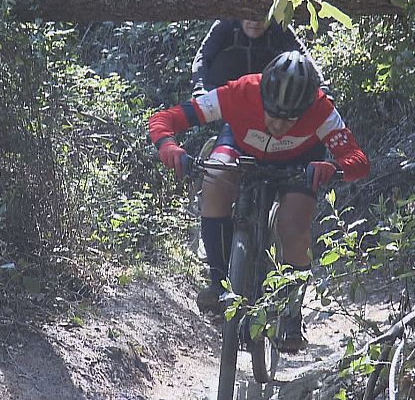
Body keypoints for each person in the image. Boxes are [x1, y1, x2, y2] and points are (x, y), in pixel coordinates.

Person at [149, 51, 369, 350]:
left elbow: (358, 161)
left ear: (307, 106)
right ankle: (218, 282)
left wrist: (332, 167)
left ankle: (290, 312)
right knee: (215, 180)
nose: (278, 125)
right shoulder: (240, 92)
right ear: (261, 95)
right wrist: (168, 146)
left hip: (300, 161)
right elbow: (165, 119)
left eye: (289, 119)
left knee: (294, 226)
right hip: (241, 145)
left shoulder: (321, 108)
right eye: (272, 114)